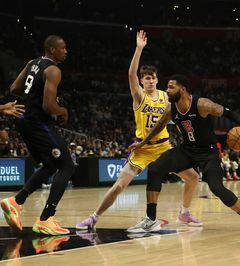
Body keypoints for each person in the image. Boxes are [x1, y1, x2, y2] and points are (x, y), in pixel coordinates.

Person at [76, 30, 202, 230]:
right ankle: (93, 217)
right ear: (141, 82)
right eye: (146, 78)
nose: (150, 81)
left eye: (152, 78)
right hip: (142, 149)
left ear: (157, 79)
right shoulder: (139, 97)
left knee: (193, 177)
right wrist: (139, 48)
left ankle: (184, 213)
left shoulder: (166, 97)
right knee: (118, 186)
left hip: (163, 148)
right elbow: (130, 74)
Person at [127, 74, 240, 233]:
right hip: (187, 150)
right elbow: (159, 126)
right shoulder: (171, 109)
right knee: (155, 169)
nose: (167, 90)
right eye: (167, 87)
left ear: (183, 89)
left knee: (216, 188)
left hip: (208, 153)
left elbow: (226, 112)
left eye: (171, 87)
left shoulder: (202, 104)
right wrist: (142, 142)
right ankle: (151, 219)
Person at [1, 35, 74, 235]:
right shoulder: (53, 70)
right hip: (37, 121)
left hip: (23, 119)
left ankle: (16, 202)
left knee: (51, 165)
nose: (66, 51)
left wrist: (32, 92)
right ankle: (46, 218)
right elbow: (48, 105)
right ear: (51, 49)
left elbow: (15, 88)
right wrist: (63, 111)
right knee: (66, 165)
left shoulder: (32, 63)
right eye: (63, 47)